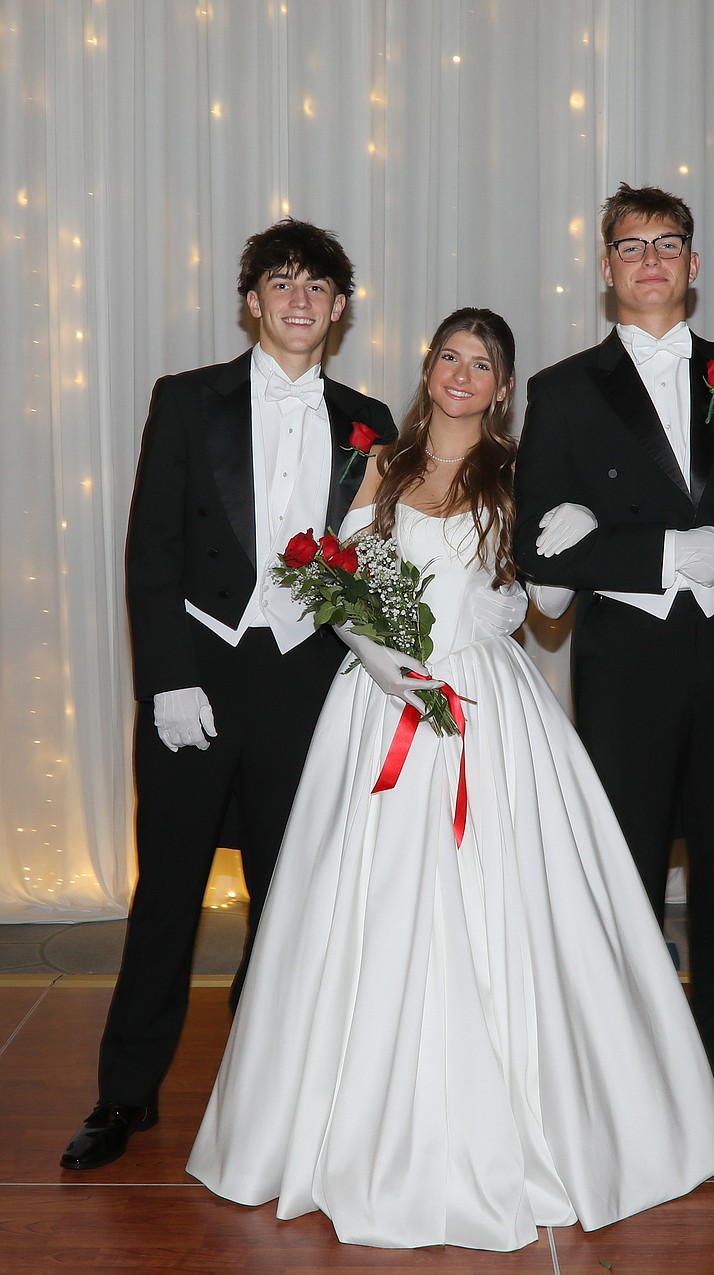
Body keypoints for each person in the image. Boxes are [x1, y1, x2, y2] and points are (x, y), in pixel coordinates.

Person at [186, 307, 714, 1252]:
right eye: (450, 356)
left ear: (504, 387)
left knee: (511, 909)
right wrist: (377, 657)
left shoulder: (520, 473)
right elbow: (340, 578)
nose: (462, 374)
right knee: (362, 908)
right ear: (428, 366)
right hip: (379, 703)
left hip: (488, 704)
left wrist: (576, 531)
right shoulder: (380, 466)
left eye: (483, 363)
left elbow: (548, 604)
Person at [59, 218, 401, 1172]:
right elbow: (151, 550)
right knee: (166, 892)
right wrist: (167, 677)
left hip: (307, 680)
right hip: (200, 673)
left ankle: (268, 1087)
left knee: (290, 898)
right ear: (253, 301)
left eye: (318, 288)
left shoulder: (370, 418)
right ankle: (125, 1096)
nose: (300, 301)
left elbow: (378, 563)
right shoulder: (186, 400)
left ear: (339, 310)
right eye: (281, 284)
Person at [513, 183, 714, 1166]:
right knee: (623, 895)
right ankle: (623, 1100)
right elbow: (536, 549)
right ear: (606, 270)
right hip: (627, 676)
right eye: (630, 245)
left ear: (693, 266)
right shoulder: (561, 392)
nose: (649, 259)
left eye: (668, 243)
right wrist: (651, 557)